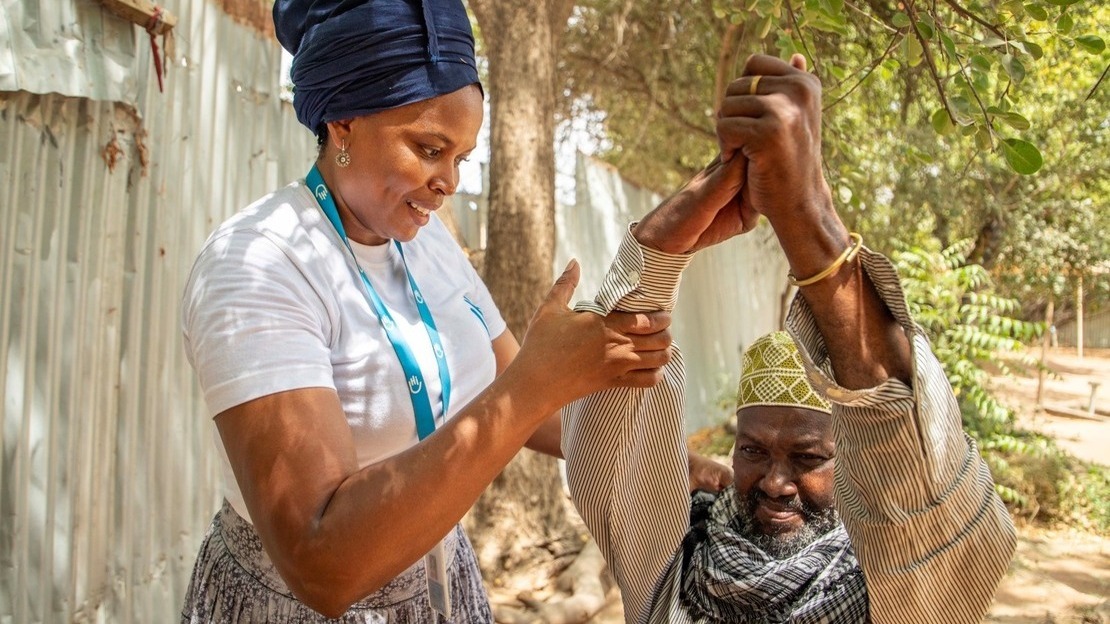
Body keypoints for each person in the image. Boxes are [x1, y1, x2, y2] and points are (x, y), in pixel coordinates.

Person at [178, 0, 738, 621]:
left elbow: (519, 402)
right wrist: (535, 384)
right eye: (427, 148)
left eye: (461, 159)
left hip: (441, 586)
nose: (448, 182)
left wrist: (670, 465)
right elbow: (321, 562)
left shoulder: (426, 239)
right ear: (343, 123)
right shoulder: (258, 266)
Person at [562, 53, 1017, 623]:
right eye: (753, 451)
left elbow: (937, 521)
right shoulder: (680, 561)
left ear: (853, 459)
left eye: (808, 457)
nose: (776, 484)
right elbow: (611, 461)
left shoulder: (887, 588)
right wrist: (658, 250)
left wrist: (806, 215)